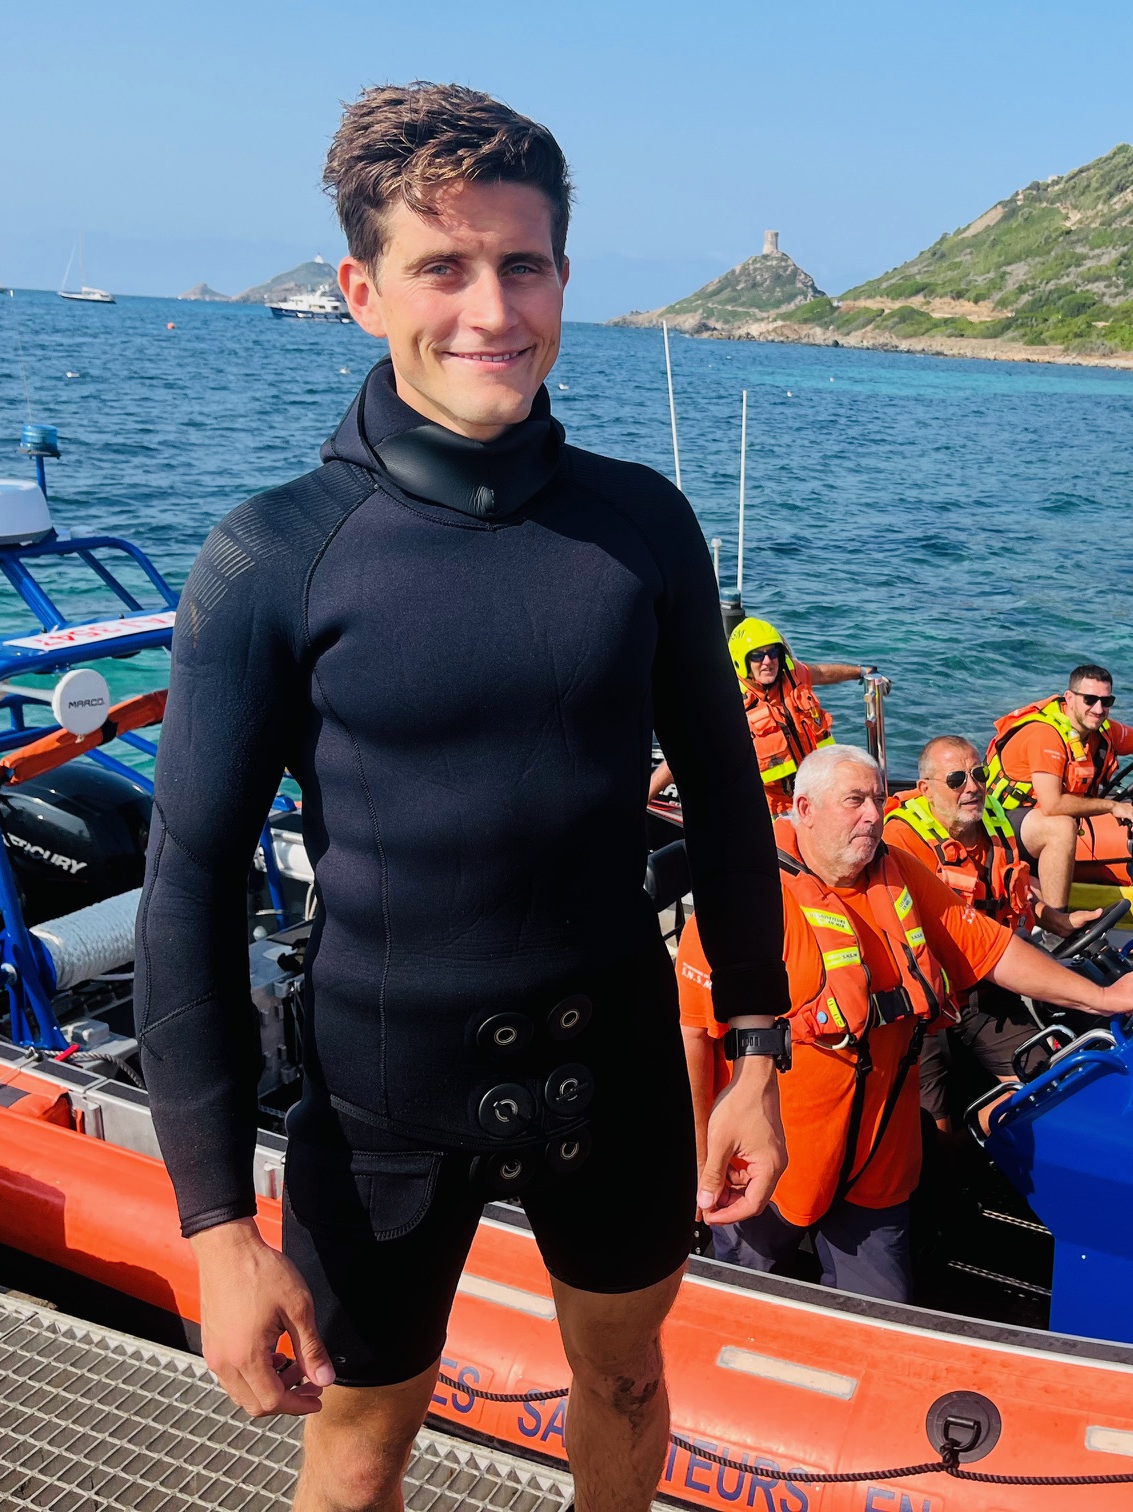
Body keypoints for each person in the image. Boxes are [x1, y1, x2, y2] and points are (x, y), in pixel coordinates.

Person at [137, 84, 792, 1512]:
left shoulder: (642, 527)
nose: (491, 308)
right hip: (383, 1094)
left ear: (564, 274)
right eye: (444, 266)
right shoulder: (277, 559)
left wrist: (754, 1055)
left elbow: (733, 808)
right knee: (360, 1449)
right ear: (363, 290)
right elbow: (186, 887)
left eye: (524, 263)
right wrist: (214, 1230)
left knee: (623, 1383)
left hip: (613, 1063)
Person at [674, 745, 1133, 1301]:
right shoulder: (745, 904)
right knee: (737, 1293)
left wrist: (1100, 998)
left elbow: (992, 950)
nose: (874, 815)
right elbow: (692, 1042)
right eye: (855, 801)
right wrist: (700, 1158)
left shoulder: (900, 876)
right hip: (773, 1163)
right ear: (802, 808)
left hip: (879, 1162)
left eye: (877, 799)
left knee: (880, 1309)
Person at [884, 736, 1101, 1136]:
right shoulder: (899, 841)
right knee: (932, 1131)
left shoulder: (994, 824)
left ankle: (985, 1140)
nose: (972, 786)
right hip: (927, 1006)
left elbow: (1010, 895)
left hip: (987, 993)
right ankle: (958, 1164)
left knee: (1049, 1082)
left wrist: (1057, 920)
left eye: (979, 774)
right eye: (955, 778)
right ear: (925, 789)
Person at [985, 664, 1133, 912]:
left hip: (1031, 827)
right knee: (1061, 826)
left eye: (1106, 701)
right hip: (999, 828)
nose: (1098, 709)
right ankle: (1056, 927)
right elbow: (1053, 805)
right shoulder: (1046, 735)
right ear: (1070, 698)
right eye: (1090, 700)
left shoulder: (1101, 729)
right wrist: (1113, 806)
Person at [648, 616, 874, 814]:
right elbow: (683, 753)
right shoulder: (728, 701)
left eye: (773, 652)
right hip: (772, 808)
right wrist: (644, 799)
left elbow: (822, 673)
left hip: (819, 791)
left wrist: (860, 672)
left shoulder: (792, 675)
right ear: (742, 660)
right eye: (757, 656)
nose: (768, 661)